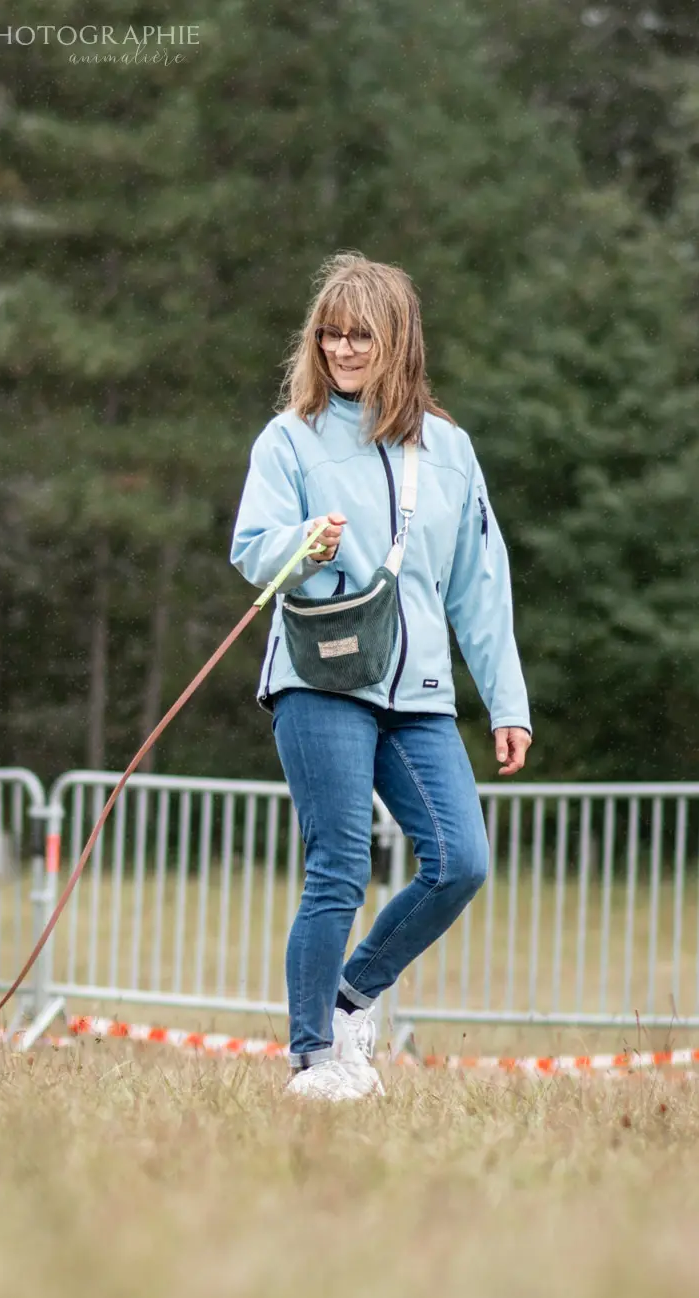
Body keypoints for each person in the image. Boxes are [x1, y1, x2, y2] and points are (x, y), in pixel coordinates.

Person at [229, 251, 532, 1102]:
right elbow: (253, 549)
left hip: (420, 695)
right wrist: (304, 544)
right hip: (320, 679)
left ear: (398, 340)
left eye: (362, 333)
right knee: (339, 865)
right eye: (331, 332)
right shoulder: (288, 438)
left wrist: (507, 700)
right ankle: (313, 1059)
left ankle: (350, 997)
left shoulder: (451, 450)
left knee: (460, 860)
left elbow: (481, 582)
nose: (344, 348)